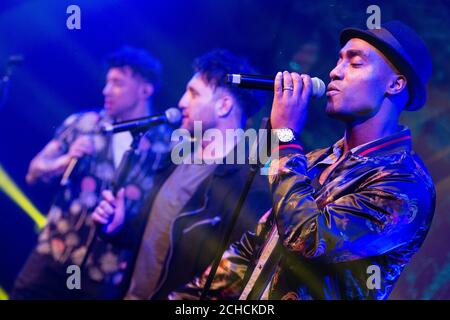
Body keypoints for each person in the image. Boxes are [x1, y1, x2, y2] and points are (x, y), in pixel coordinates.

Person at [169, 21, 436, 300]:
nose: (335, 72)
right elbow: (254, 248)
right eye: (338, 60)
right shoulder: (314, 160)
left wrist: (285, 137)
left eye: (355, 63)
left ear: (395, 84)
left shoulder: (406, 185)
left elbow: (309, 240)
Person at [92, 49, 271, 300]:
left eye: (194, 93)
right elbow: (153, 240)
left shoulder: (247, 186)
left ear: (224, 105)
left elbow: (230, 279)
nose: (182, 102)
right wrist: (119, 227)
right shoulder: (175, 159)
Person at [12, 46, 173, 299]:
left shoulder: (166, 146)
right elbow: (33, 171)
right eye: (107, 82)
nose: (106, 90)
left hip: (106, 272)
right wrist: (63, 161)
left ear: (145, 89)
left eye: (117, 83)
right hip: (53, 256)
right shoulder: (83, 124)